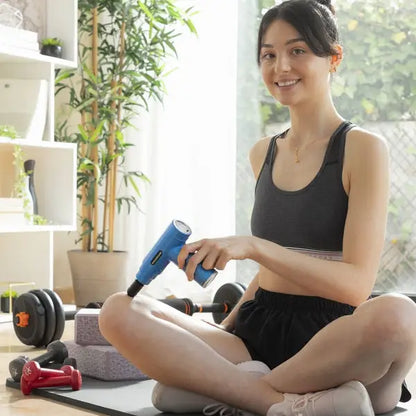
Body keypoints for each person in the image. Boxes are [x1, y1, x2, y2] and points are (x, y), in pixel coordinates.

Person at [99, 0, 416, 415]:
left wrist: (253, 246)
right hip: (257, 332)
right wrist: (220, 331)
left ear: (333, 58)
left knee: (399, 315)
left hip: (331, 339)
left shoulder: (362, 149)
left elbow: (355, 286)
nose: (281, 66)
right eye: (269, 54)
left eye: (297, 50)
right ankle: (281, 403)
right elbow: (269, 275)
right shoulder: (262, 153)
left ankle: (226, 391)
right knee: (119, 310)